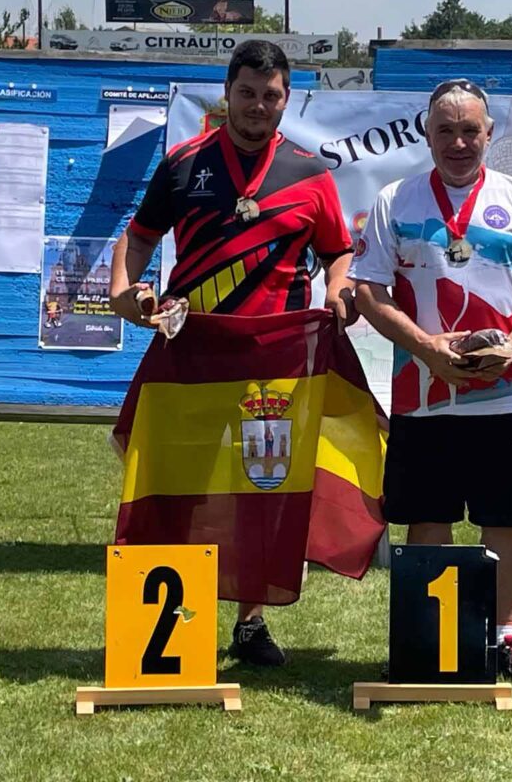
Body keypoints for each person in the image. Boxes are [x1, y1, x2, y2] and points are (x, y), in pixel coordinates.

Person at [109, 40, 356, 667]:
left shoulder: (311, 173)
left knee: (262, 490)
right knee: (178, 485)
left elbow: (339, 251)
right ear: (228, 92)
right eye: (246, 93)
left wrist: (336, 287)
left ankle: (250, 623)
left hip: (274, 365)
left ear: (286, 98)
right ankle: (174, 620)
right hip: (190, 356)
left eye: (270, 95)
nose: (257, 106)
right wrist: (123, 291)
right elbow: (138, 241)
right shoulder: (184, 165)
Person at [350, 79, 512, 686]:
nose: (457, 141)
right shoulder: (394, 201)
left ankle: (508, 637)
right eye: (445, 130)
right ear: (426, 133)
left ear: (489, 133)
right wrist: (425, 347)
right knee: (427, 519)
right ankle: (437, 637)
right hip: (424, 394)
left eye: (469, 129)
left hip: (504, 393)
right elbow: (366, 290)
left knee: (505, 520)